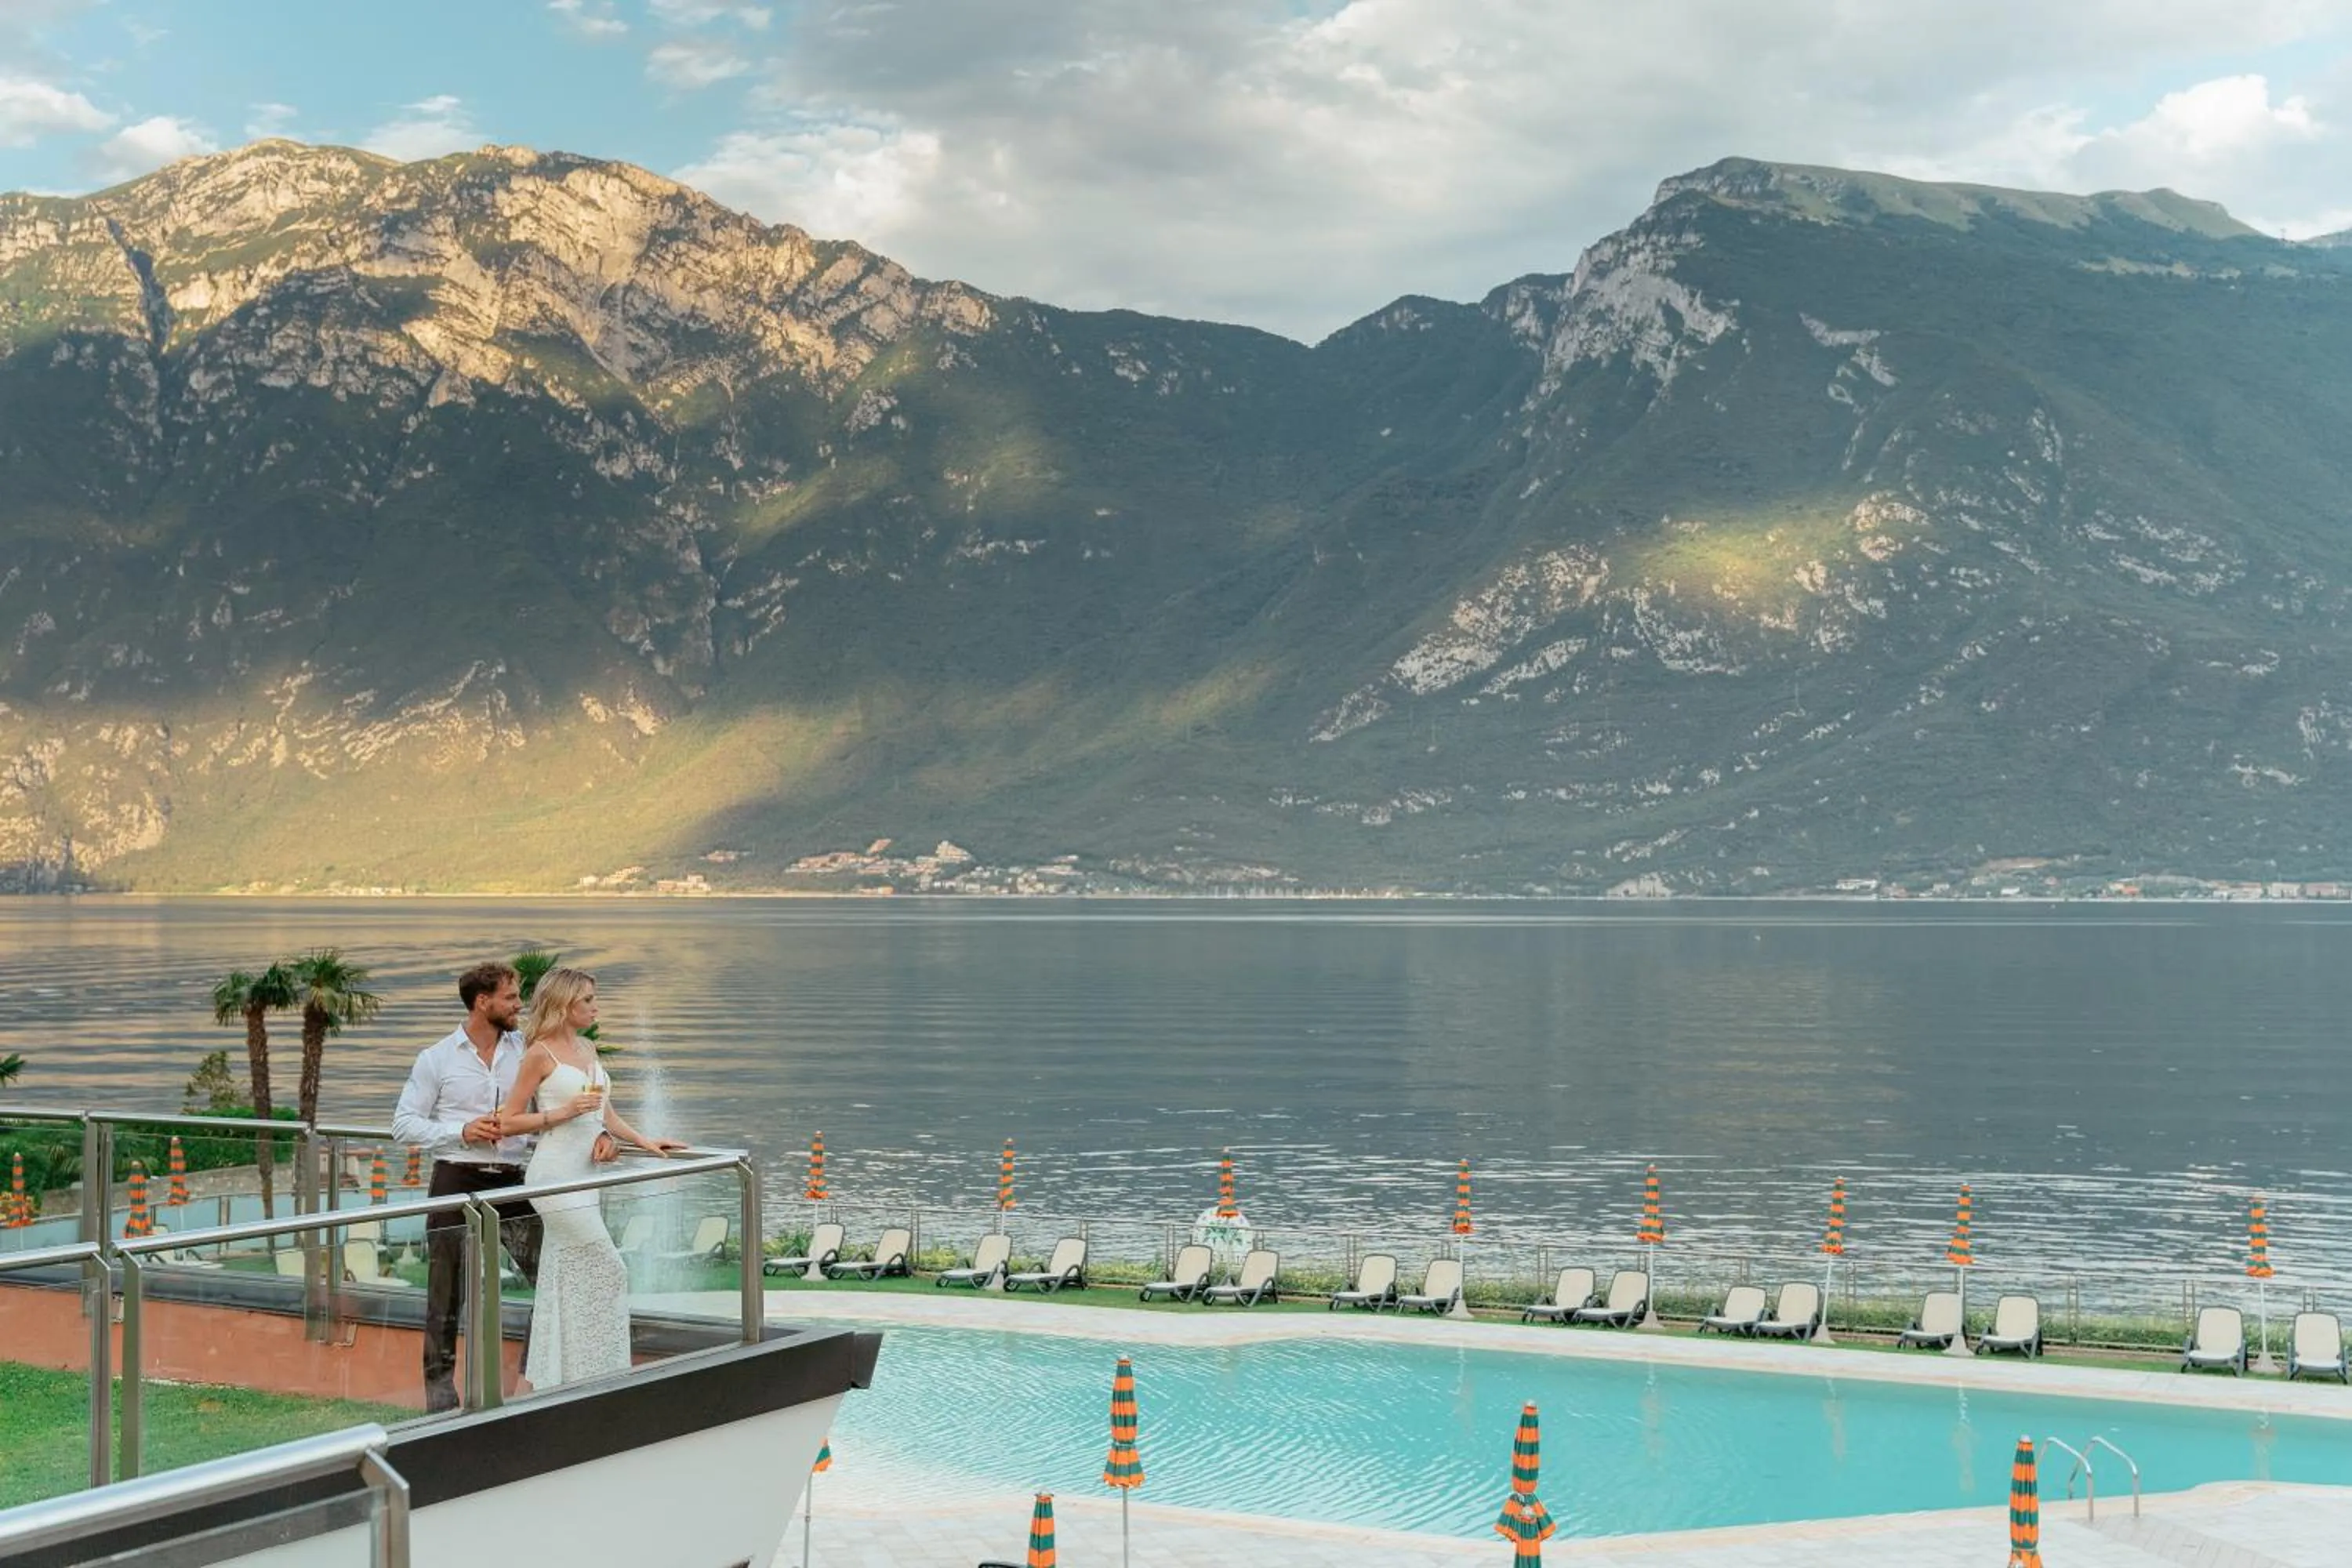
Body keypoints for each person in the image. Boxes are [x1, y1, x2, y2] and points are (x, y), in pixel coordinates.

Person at [391, 960, 614, 1412]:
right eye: (511, 998)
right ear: (483, 1002)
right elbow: (403, 1125)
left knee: (553, 1271)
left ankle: (533, 1381)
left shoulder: (530, 1049)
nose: (520, 1005)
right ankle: (441, 1398)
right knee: (445, 1293)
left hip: (515, 1183)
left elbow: (561, 1106)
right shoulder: (436, 1059)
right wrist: (463, 1131)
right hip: (457, 1178)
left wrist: (602, 1134)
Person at [492, 966, 684, 1390]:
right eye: (587, 1001)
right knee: (609, 1268)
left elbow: (604, 1112)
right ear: (564, 1005)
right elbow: (507, 1122)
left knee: (565, 1274)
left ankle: (562, 1377)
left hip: (586, 1177)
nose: (596, 1007)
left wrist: (645, 1142)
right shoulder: (539, 1053)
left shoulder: (587, 1048)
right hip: (553, 1178)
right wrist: (561, 1114)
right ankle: (603, 1370)